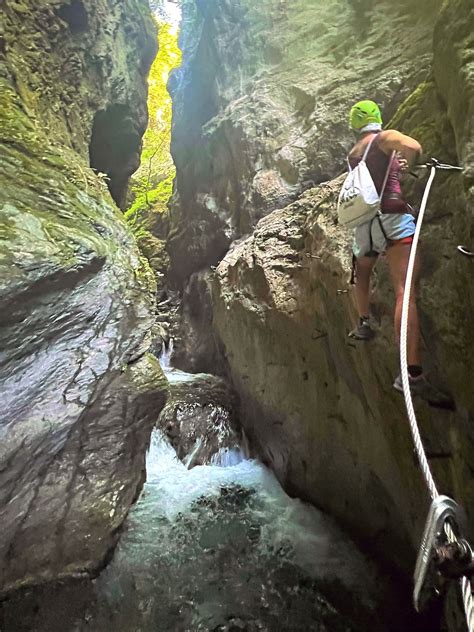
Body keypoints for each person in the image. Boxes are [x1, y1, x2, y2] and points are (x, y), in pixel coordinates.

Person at [346, 100, 447, 404]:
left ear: (354, 126)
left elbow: (373, 175)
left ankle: (363, 322)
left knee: (362, 269)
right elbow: (413, 146)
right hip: (391, 216)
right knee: (405, 289)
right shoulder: (384, 138)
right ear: (377, 119)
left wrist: (394, 165)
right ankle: (412, 375)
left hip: (365, 224)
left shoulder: (354, 153)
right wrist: (410, 164)